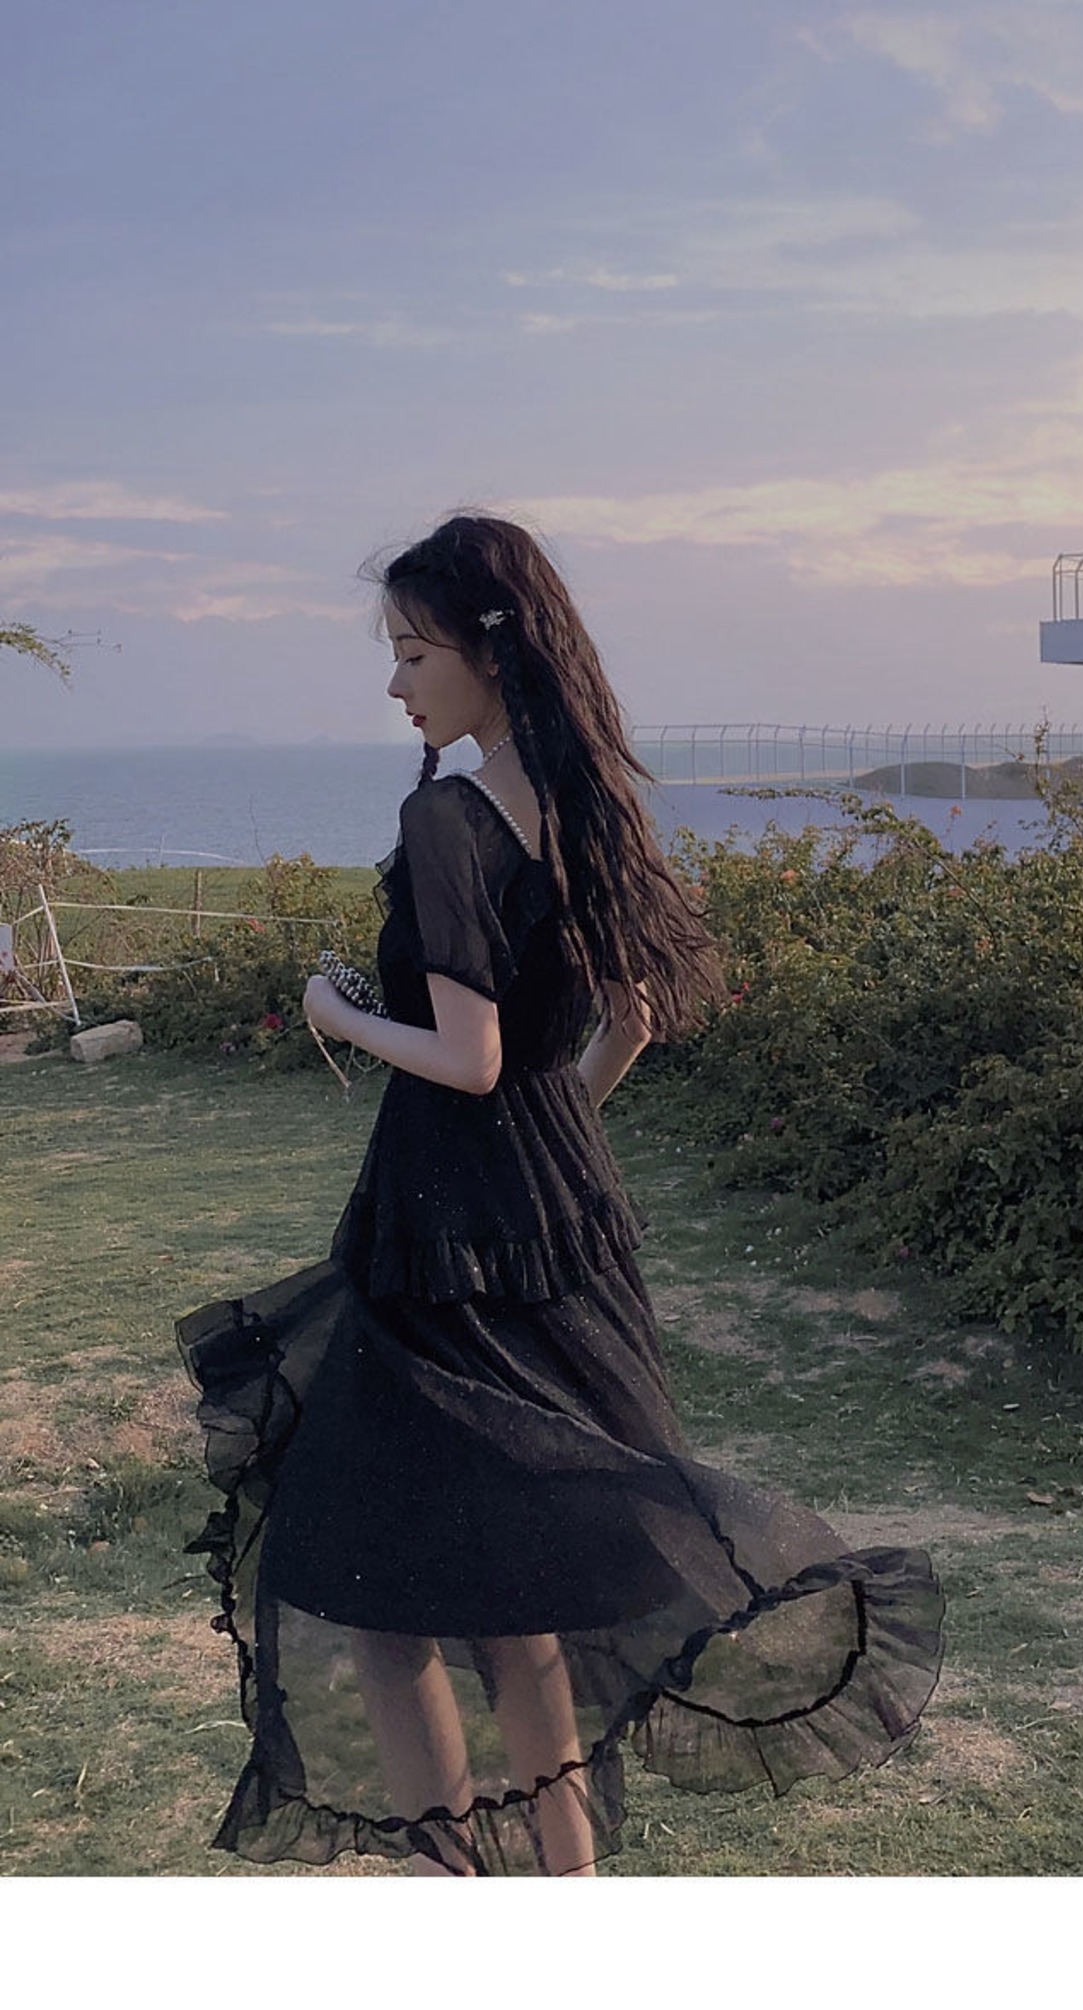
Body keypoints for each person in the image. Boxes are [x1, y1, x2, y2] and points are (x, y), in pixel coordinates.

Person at [177, 513, 944, 1877]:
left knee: (377, 1599)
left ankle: (453, 1883)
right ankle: (565, 1886)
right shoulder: (586, 803)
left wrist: (336, 1015)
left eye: (413, 652)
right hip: (555, 1215)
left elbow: (470, 1059)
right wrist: (559, 1121)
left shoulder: (449, 816)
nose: (395, 683)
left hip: (437, 1248)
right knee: (517, 1597)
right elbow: (618, 1028)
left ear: (491, 651)